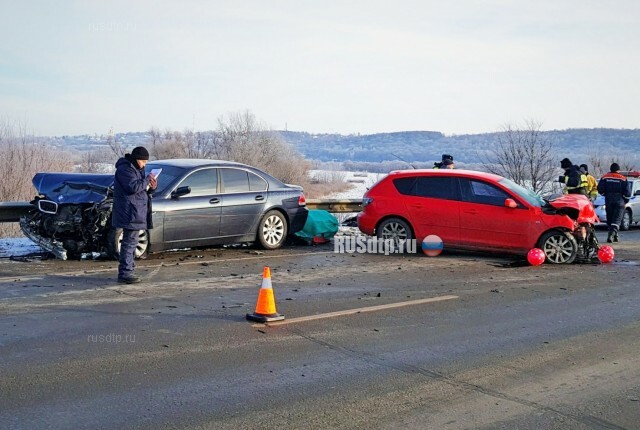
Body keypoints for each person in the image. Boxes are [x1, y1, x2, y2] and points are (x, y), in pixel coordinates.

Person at [112, 146, 157, 283]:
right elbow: (133, 187)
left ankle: (129, 269)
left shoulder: (136, 169)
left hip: (135, 210)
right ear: (137, 159)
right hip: (129, 211)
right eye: (143, 162)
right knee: (129, 242)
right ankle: (125, 272)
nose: (145, 164)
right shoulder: (125, 169)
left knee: (131, 242)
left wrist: (152, 186)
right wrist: (147, 180)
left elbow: (141, 189)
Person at [597, 162, 631, 243]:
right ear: (618, 170)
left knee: (610, 218)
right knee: (617, 219)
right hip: (619, 200)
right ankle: (611, 235)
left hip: (608, 199)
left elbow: (600, 189)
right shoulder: (623, 178)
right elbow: (627, 193)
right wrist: (625, 200)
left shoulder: (605, 177)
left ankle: (615, 235)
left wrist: (605, 194)